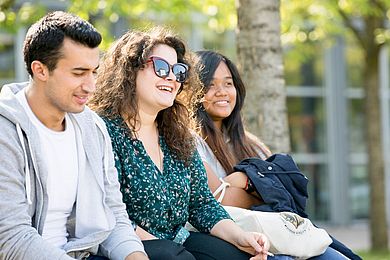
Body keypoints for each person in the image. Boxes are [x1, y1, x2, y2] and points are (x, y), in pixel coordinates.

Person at [89, 27, 273, 260]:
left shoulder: (178, 135)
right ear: (129, 70)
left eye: (178, 70)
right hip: (125, 247)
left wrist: (241, 237)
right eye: (161, 67)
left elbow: (202, 204)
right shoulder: (103, 131)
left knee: (243, 256)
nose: (171, 77)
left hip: (176, 243)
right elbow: (107, 215)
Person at [0, 11, 147, 260]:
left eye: (94, 72)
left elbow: (113, 216)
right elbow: (11, 238)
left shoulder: (92, 127)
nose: (90, 86)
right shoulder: (6, 132)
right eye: (79, 73)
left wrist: (135, 255)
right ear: (40, 70)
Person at [194, 50, 351, 259]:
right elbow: (219, 201)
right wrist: (257, 185)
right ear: (192, 91)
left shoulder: (252, 145)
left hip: (280, 233)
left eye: (228, 83)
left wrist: (241, 180)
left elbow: (282, 192)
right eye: (210, 85)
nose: (222, 91)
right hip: (229, 239)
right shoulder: (191, 143)